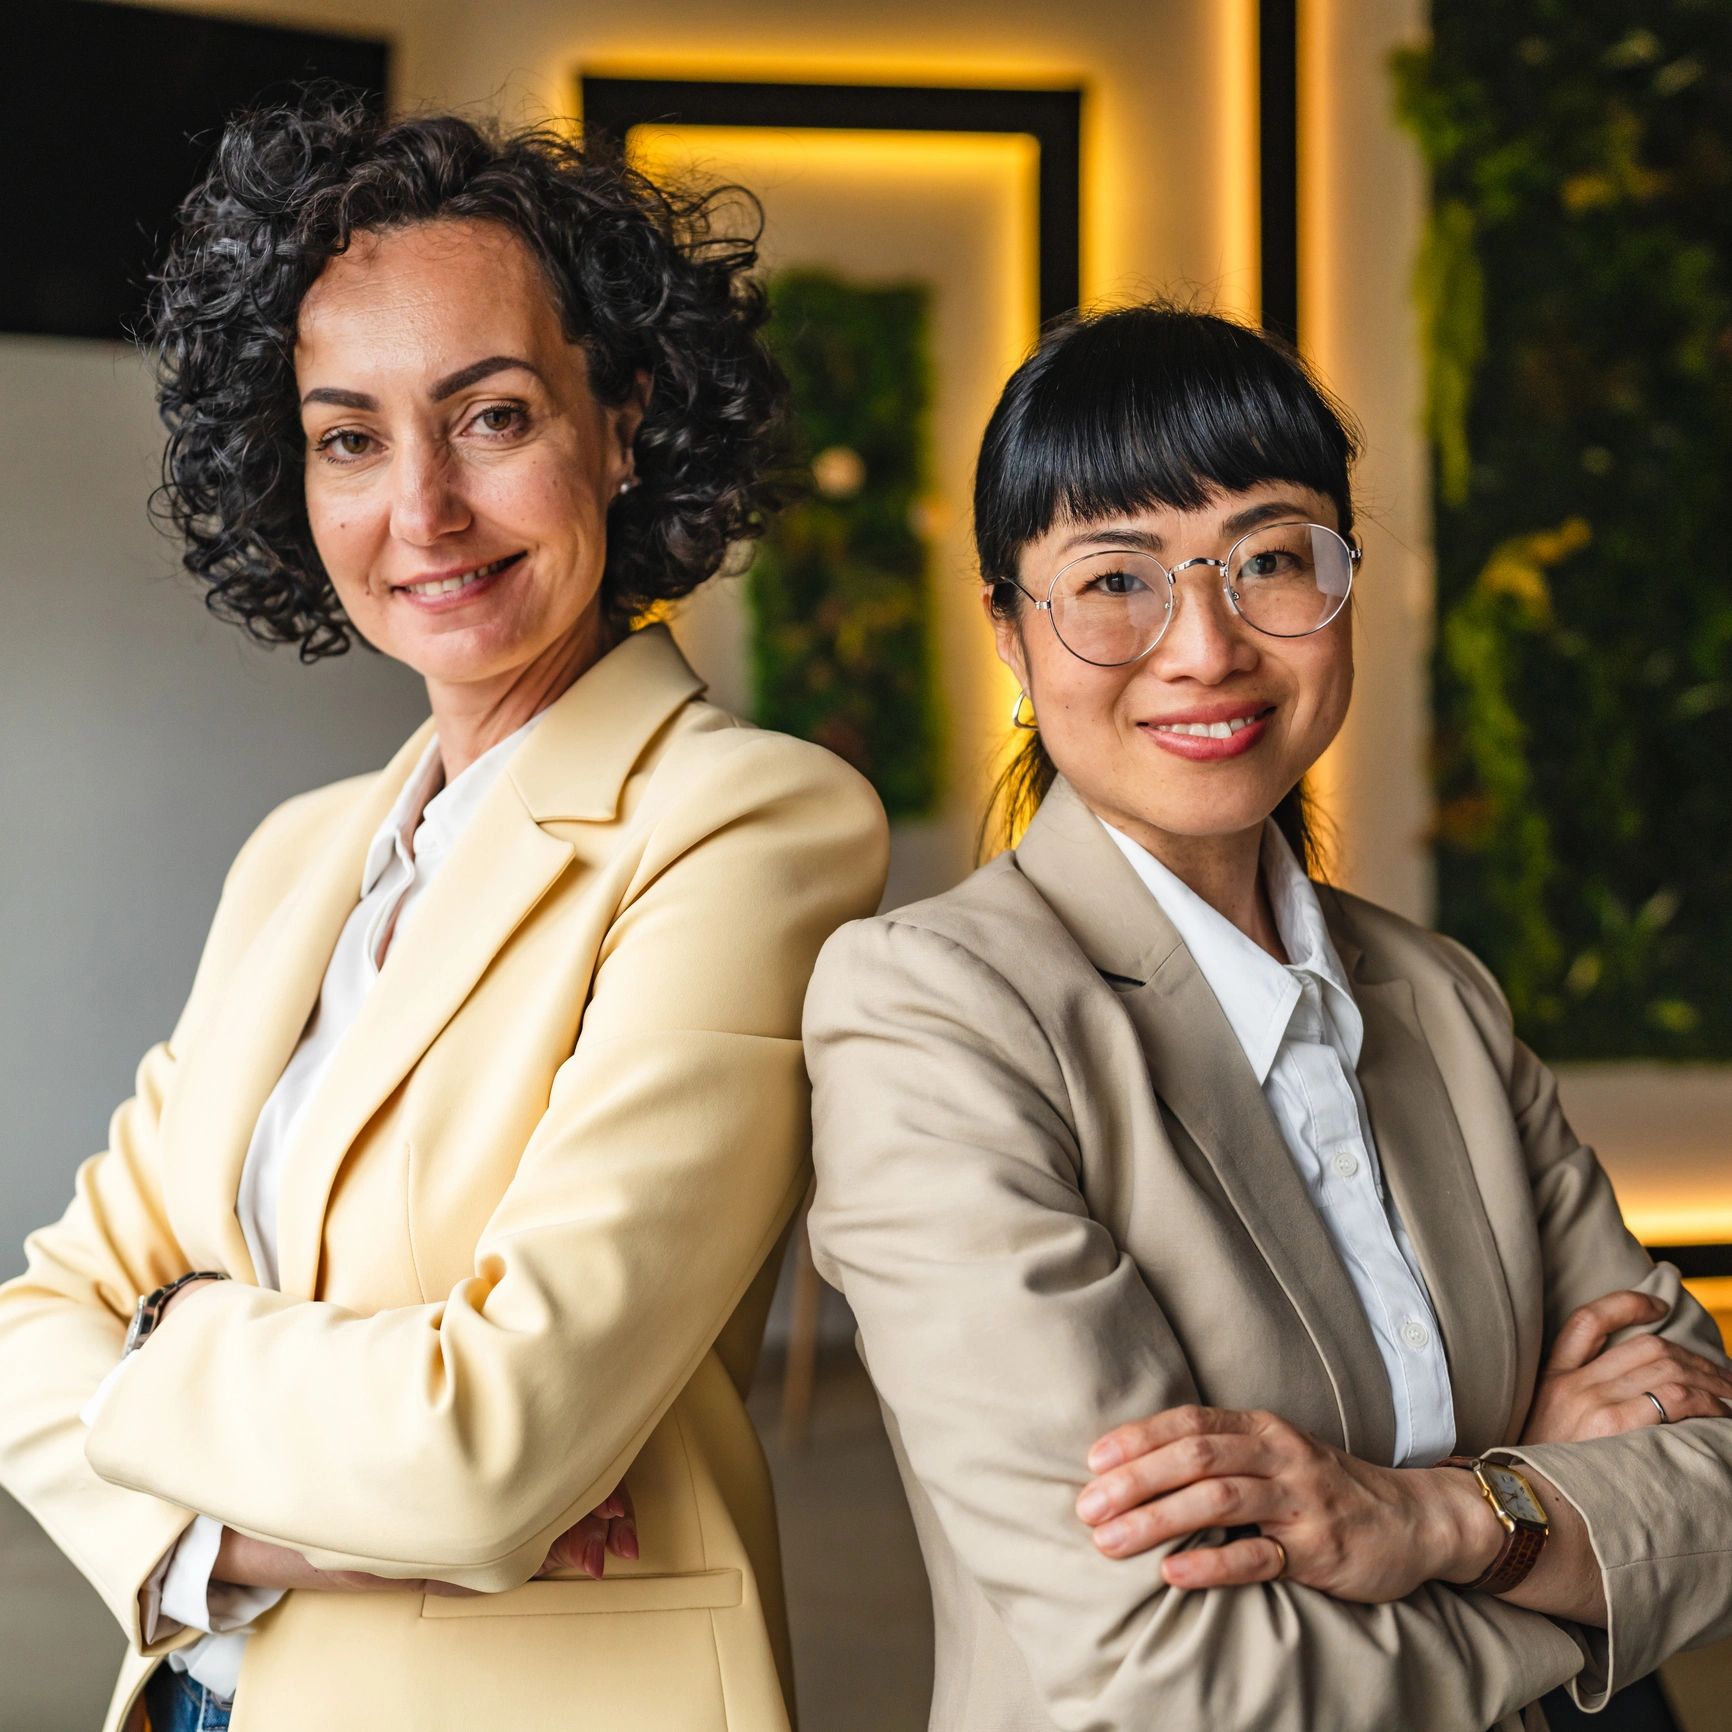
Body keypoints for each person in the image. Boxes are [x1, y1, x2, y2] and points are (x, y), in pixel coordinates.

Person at [0, 99, 887, 1732]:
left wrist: (167, 1340)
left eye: (488, 417)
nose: (422, 508)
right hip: (203, 1683)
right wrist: (223, 1540)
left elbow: (490, 1451)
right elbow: (30, 1330)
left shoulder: (745, 825)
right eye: (349, 436)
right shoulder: (300, 855)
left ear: (622, 420)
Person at [803, 304, 1732, 1731]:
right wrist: (1543, 1527)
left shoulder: (1440, 996)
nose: (1206, 647)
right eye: (1114, 579)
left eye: (1271, 559)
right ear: (1008, 629)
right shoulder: (936, 1015)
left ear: (1345, 581)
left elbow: (1713, 1473)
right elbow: (1174, 1676)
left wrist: (1432, 1524)